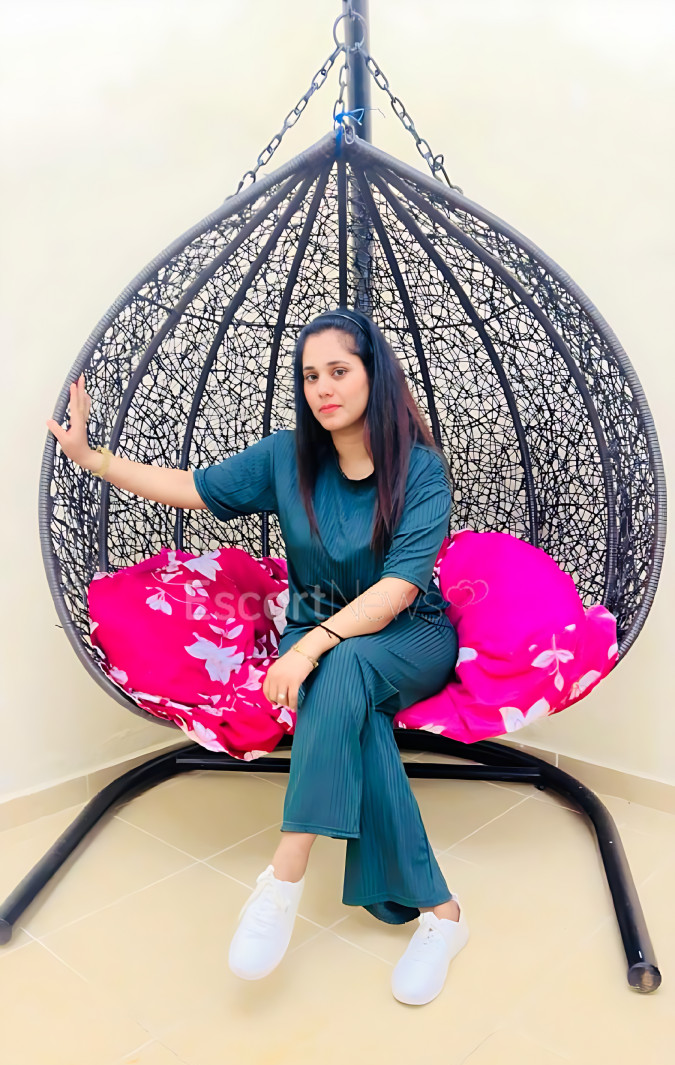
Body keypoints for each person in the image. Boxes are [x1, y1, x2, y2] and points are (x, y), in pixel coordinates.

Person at [46, 307, 469, 1006]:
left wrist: (310, 649)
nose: (322, 388)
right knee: (350, 699)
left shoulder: (419, 471)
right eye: (310, 376)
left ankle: (283, 876)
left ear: (374, 377)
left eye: (339, 371)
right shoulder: (285, 458)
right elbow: (194, 487)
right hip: (323, 639)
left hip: (407, 636)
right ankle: (442, 914)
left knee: (343, 666)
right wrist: (93, 460)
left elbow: (399, 589)